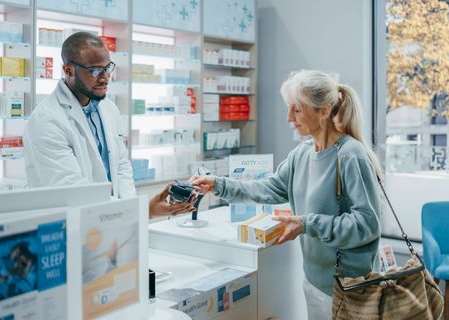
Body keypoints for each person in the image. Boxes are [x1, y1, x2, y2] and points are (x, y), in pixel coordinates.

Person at [191, 70, 382, 319]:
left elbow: (367, 224)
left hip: (350, 288)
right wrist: (218, 185)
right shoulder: (301, 154)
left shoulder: (350, 155)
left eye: (297, 110)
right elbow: (268, 188)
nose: (288, 117)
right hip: (314, 281)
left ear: (323, 111)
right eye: (288, 108)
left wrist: (306, 223)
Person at [24, 32, 194, 218]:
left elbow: (121, 165)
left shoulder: (108, 109)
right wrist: (138, 211)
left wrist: (128, 211)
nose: (105, 78)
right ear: (68, 70)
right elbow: (71, 191)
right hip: (67, 225)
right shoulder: (46, 120)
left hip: (112, 220)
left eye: (107, 68)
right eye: (95, 71)